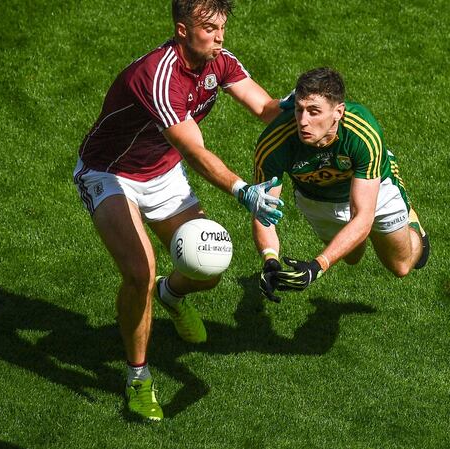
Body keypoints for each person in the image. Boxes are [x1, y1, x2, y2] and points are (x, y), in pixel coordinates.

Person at [72, 0, 284, 421]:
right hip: (111, 174)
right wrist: (245, 191)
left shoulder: (218, 61)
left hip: (163, 173)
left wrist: (307, 104)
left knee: (210, 266)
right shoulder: (159, 75)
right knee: (140, 272)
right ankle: (138, 377)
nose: (220, 36)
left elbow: (266, 109)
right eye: (210, 28)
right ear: (183, 30)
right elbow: (195, 151)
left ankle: (172, 295)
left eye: (222, 27)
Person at [252, 67, 430, 303]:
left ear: (338, 112)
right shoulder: (273, 144)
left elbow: (362, 218)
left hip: (373, 187)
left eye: (314, 112)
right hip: (317, 199)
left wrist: (316, 267)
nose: (303, 121)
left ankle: (413, 224)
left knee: (401, 265)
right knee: (352, 256)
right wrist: (270, 260)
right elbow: (264, 211)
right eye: (299, 110)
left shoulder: (361, 132)